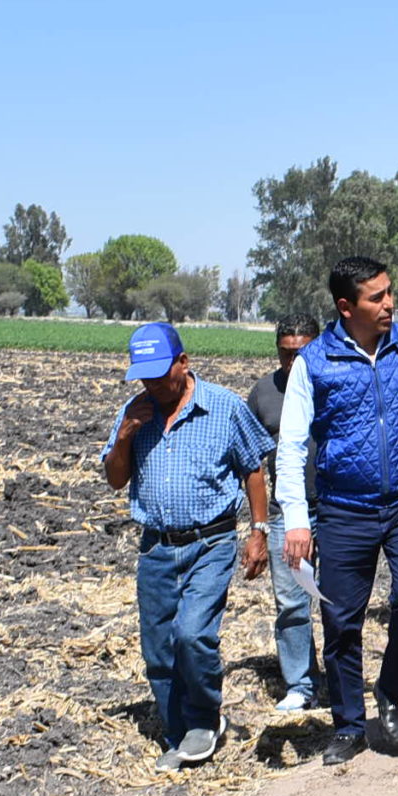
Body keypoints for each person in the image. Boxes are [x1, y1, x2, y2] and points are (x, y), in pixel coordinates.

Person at [276, 257, 398, 765]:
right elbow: (291, 446)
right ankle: (350, 726)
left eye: (389, 293)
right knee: (340, 621)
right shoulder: (314, 362)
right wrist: (296, 519)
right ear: (345, 306)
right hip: (344, 509)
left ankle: (391, 691)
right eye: (376, 298)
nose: (389, 304)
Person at [101, 321, 272, 768]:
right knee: (158, 646)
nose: (153, 383)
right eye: (145, 375)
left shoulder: (223, 407)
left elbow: (253, 468)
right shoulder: (134, 412)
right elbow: (116, 479)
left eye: (162, 372)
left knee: (192, 633)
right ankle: (178, 731)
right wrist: (124, 437)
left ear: (184, 362)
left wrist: (259, 531)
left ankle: (203, 718)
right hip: (156, 546)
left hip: (210, 542)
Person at [246, 315, 323, 711]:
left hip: (335, 508)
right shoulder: (263, 392)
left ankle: (341, 677)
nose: (292, 361)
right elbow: (250, 461)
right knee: (291, 601)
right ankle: (301, 684)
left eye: (301, 352)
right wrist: (257, 526)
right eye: (285, 352)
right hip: (284, 513)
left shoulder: (331, 382)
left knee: (338, 598)